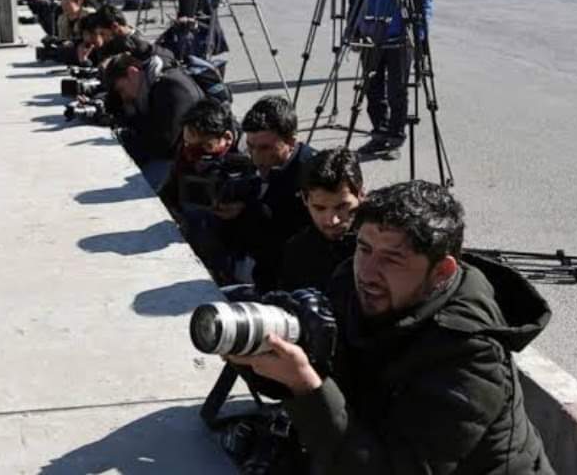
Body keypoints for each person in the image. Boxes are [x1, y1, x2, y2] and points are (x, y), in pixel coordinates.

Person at [230, 180, 556, 475]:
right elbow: (328, 367)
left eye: (392, 259)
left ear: (441, 271)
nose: (367, 272)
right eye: (364, 249)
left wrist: (306, 388)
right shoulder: (351, 284)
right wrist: (256, 354)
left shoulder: (471, 353)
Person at [351, 0, 434, 159]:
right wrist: (354, 28)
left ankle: (396, 136)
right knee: (372, 88)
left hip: (400, 35)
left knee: (397, 90)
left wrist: (420, 31)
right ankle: (379, 132)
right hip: (370, 33)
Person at [215, 96, 315, 292]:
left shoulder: (311, 176)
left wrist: (250, 210)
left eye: (265, 148)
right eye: (251, 147)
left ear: (291, 141)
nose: (256, 157)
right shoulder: (251, 166)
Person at [158, 99, 242, 282]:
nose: (194, 155)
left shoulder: (247, 159)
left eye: (205, 147)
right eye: (189, 145)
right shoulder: (185, 156)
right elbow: (167, 195)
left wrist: (243, 210)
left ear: (227, 138)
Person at [102, 52, 205, 186]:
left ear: (132, 73)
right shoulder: (149, 85)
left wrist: (128, 139)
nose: (123, 96)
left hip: (185, 157)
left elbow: (164, 143)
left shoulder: (169, 88)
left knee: (139, 185)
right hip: (175, 152)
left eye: (121, 90)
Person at [278, 148, 364, 293]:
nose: (332, 221)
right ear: (305, 199)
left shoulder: (383, 245)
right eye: (320, 208)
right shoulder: (297, 251)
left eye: (341, 207)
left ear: (361, 195)